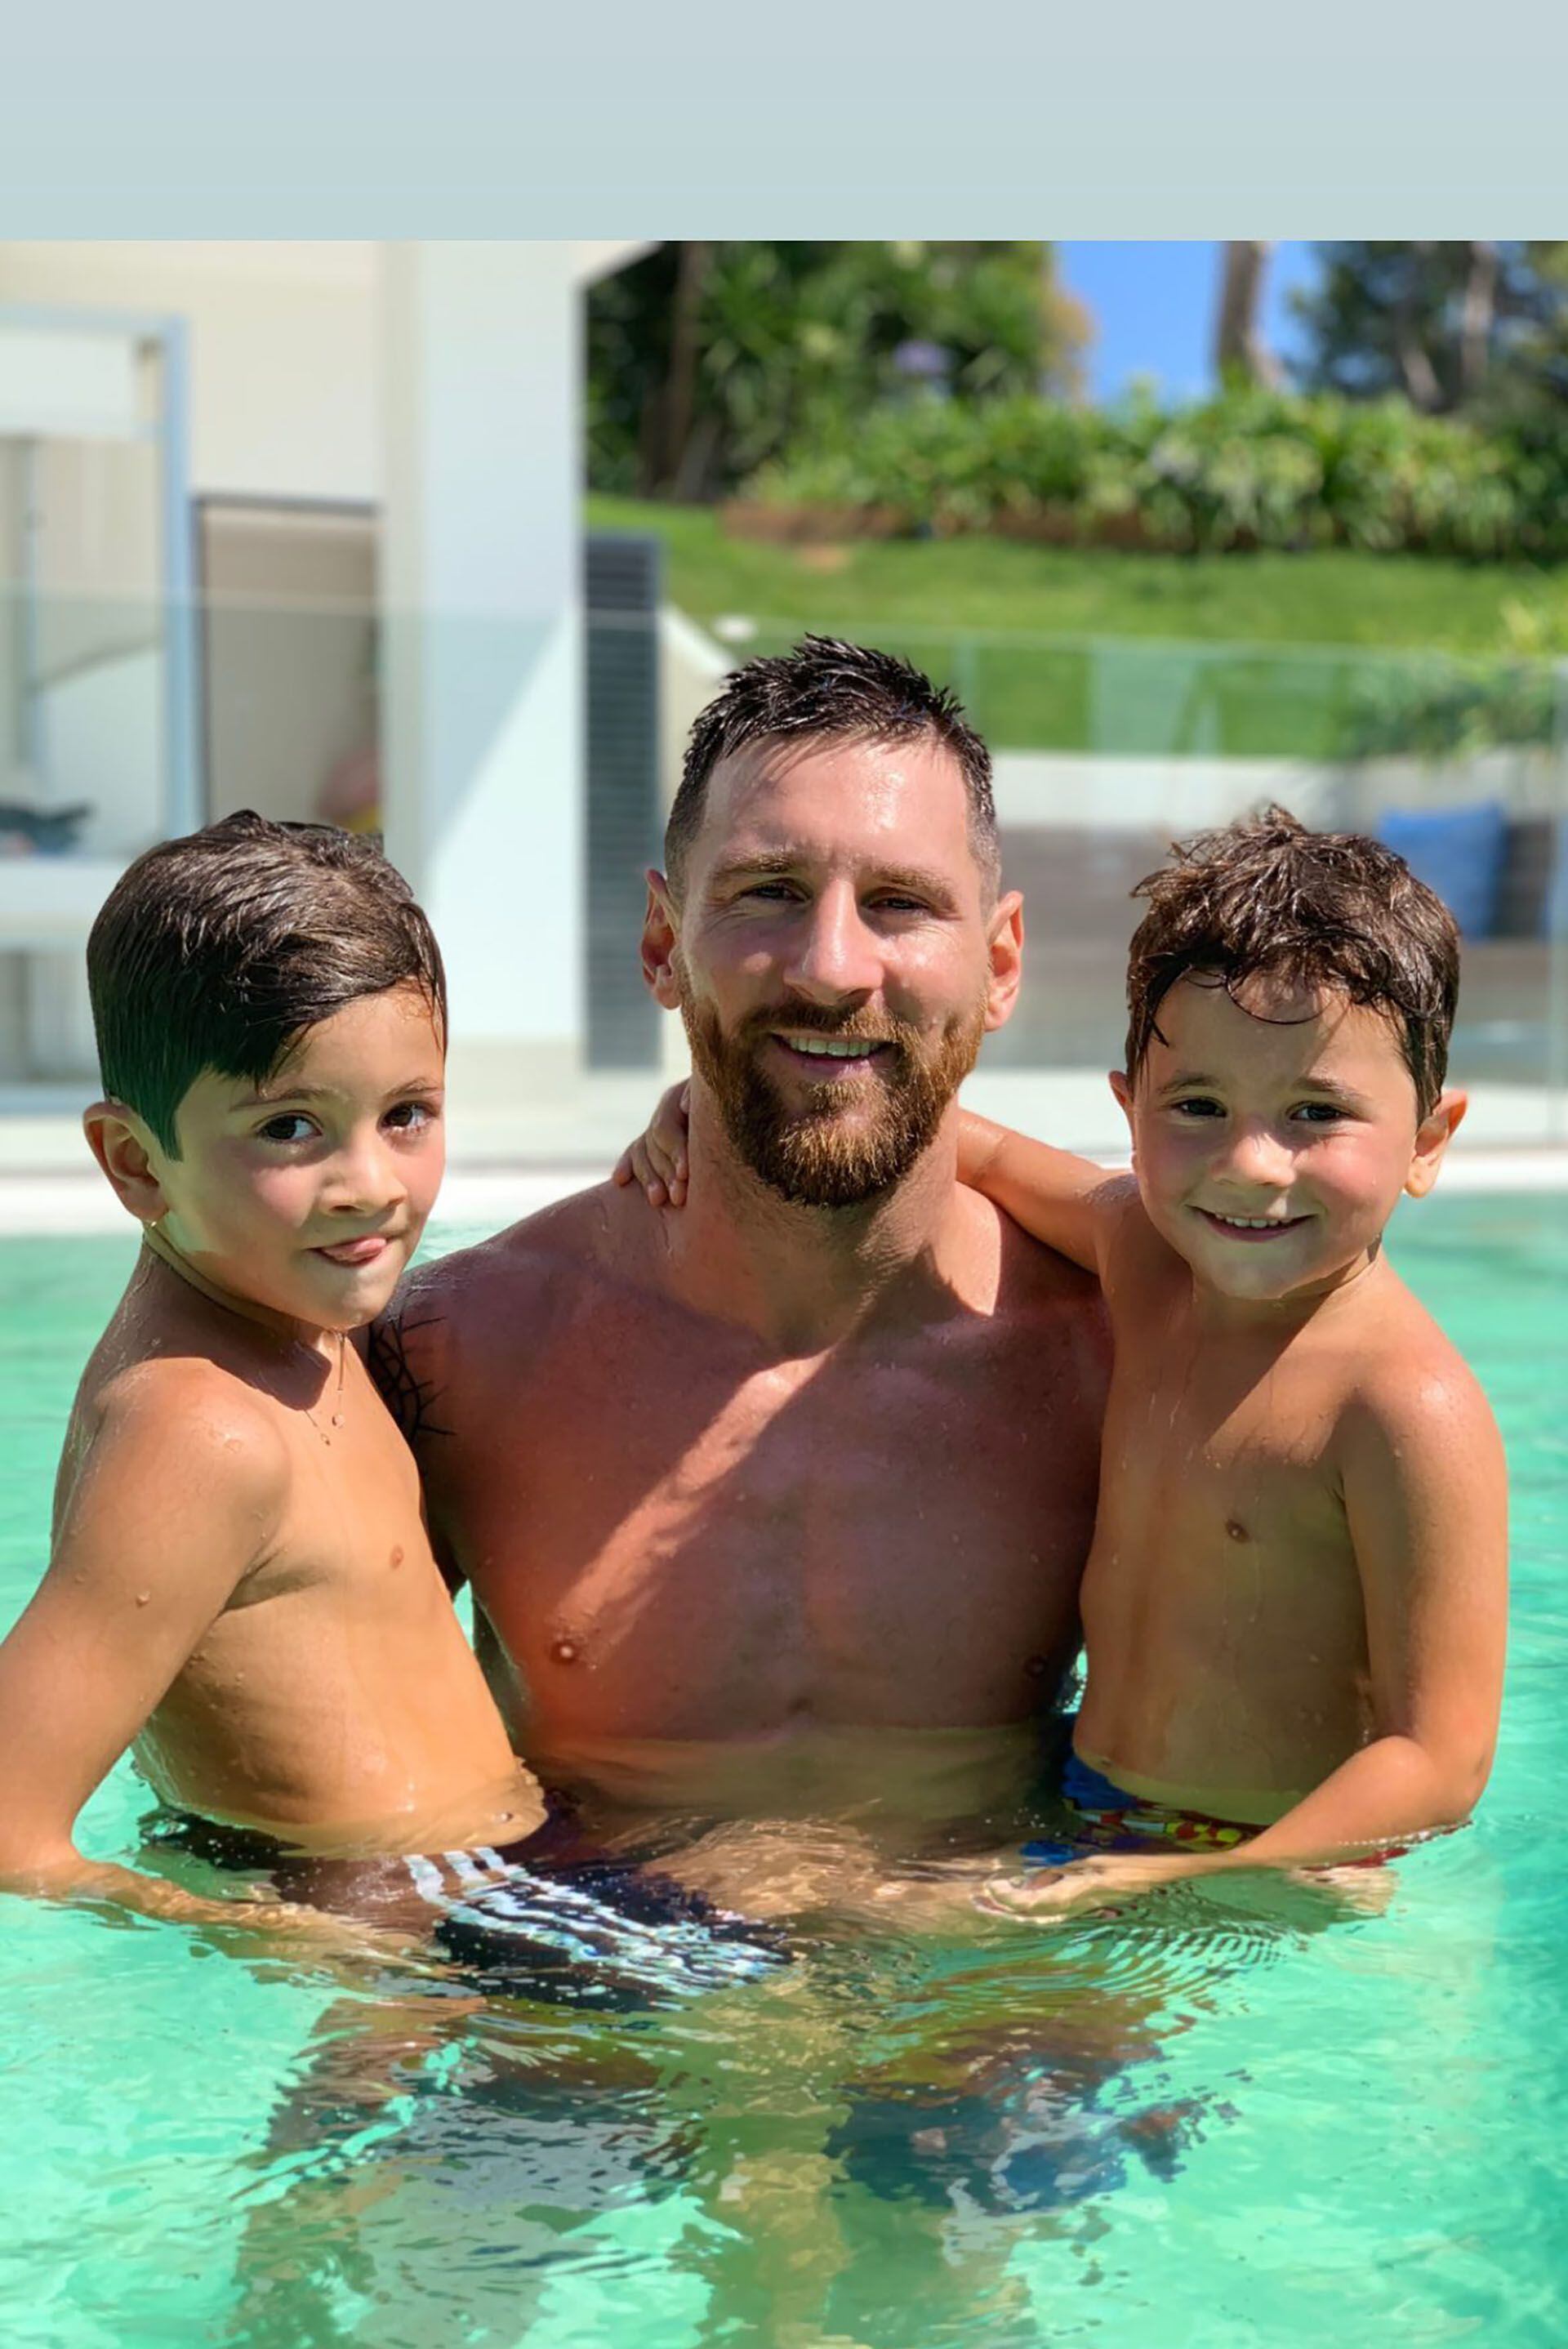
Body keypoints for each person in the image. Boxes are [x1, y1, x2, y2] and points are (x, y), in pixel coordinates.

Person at [628, 805, 1508, 1910]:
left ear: (1428, 1141)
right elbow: (975, 1149)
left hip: (1265, 1858)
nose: (1249, 1163)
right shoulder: (1142, 1257)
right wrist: (714, 1110)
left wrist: (1193, 1874)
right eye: (1198, 1105)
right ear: (1129, 1111)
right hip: (1088, 1806)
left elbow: (1441, 1761)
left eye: (1314, 1114)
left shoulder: (1401, 1405)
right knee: (770, 1891)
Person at [377, 638, 1109, 1874]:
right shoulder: (458, 1353)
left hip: (996, 1983)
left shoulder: (1110, 1362)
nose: (832, 968)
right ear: (663, 942)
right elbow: (298, 1813)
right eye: (768, 891)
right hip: (587, 1981)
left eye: (900, 902)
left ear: (998, 964)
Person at [0, 812, 566, 1951]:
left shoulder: (294, 1315)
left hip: (483, 1888)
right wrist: (261, 1932)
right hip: (417, 1928)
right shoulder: (200, 1429)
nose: (370, 1184)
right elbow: (11, 1829)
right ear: (133, 1163)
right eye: (292, 1126)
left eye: (406, 1114)